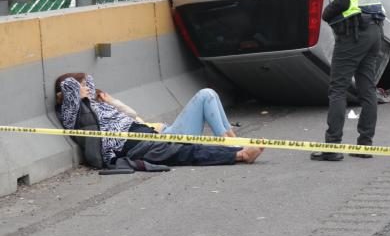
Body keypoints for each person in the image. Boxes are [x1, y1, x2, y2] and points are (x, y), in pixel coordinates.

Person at [55, 73, 264, 167]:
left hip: (153, 134)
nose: (86, 88)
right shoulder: (72, 114)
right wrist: (71, 89)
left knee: (206, 96)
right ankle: (239, 154)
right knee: (184, 152)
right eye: (81, 85)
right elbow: (71, 91)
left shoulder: (97, 105)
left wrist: (110, 101)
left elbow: (131, 115)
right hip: (133, 145)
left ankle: (235, 145)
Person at [312, 0, 385, 161]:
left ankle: (332, 147)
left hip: (353, 33)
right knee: (367, 89)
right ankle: (365, 144)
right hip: (374, 30)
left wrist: (325, 15)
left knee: (338, 89)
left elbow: (342, 2)